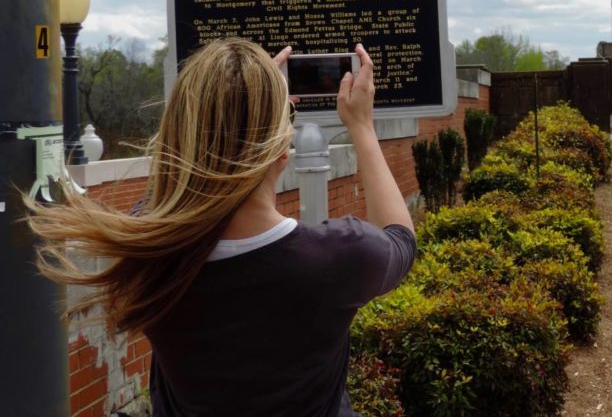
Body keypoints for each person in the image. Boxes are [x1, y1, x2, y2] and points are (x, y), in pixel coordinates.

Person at [27, 38, 415, 417]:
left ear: (179, 134)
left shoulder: (148, 253)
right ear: (283, 148)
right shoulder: (340, 257)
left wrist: (243, 103)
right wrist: (361, 126)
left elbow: (165, 193)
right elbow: (401, 238)